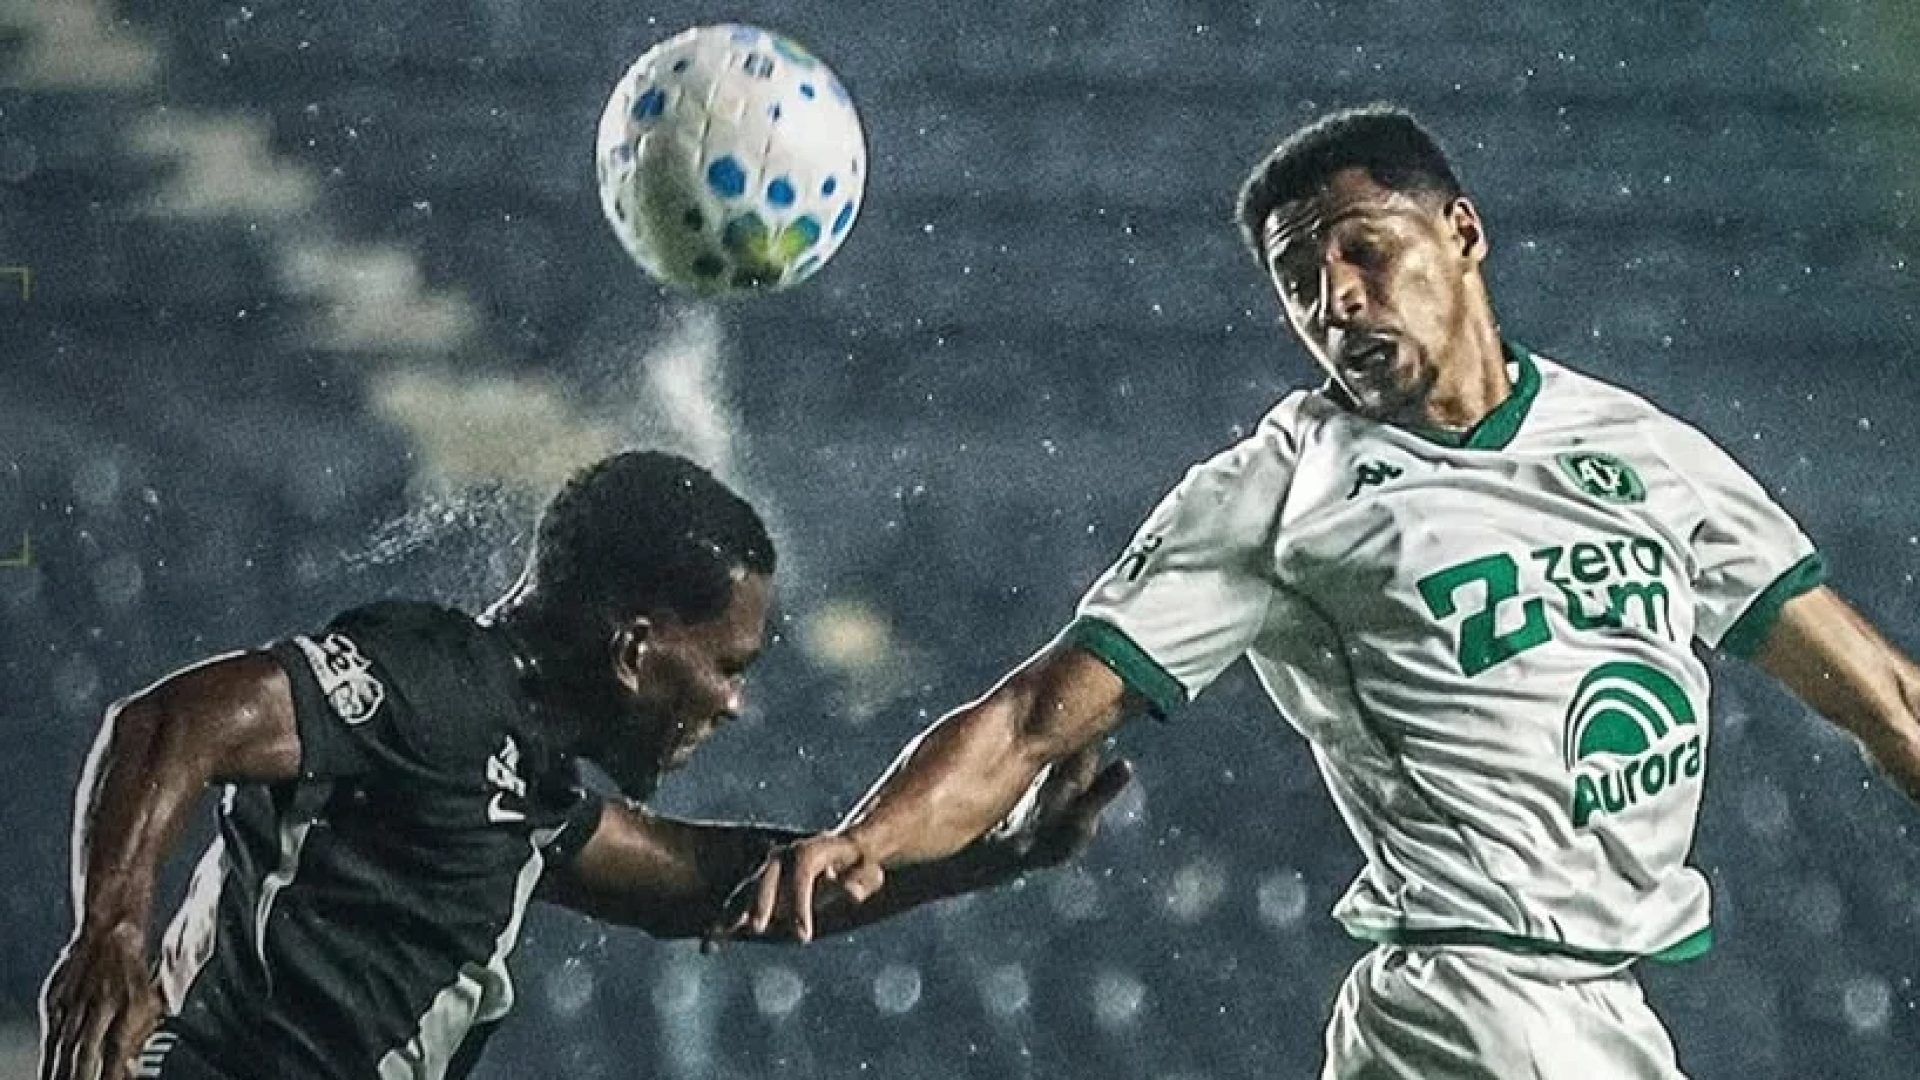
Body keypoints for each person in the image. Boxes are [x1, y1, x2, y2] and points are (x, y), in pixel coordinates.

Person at [734, 105, 1920, 1078]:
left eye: (1361, 250)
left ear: (1462, 231)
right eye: (1299, 280)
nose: (1334, 299)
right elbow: (1035, 717)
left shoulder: (1642, 449)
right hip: (1467, 1002)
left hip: (1600, 1010)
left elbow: (1886, 700)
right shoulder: (1282, 491)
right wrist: (867, 838)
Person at [37, 450, 1130, 1080]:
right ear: (635, 649)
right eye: (728, 666)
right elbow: (167, 723)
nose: (737, 704)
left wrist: (990, 857)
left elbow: (723, 887)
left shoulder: (525, 784)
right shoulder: (432, 682)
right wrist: (113, 926)